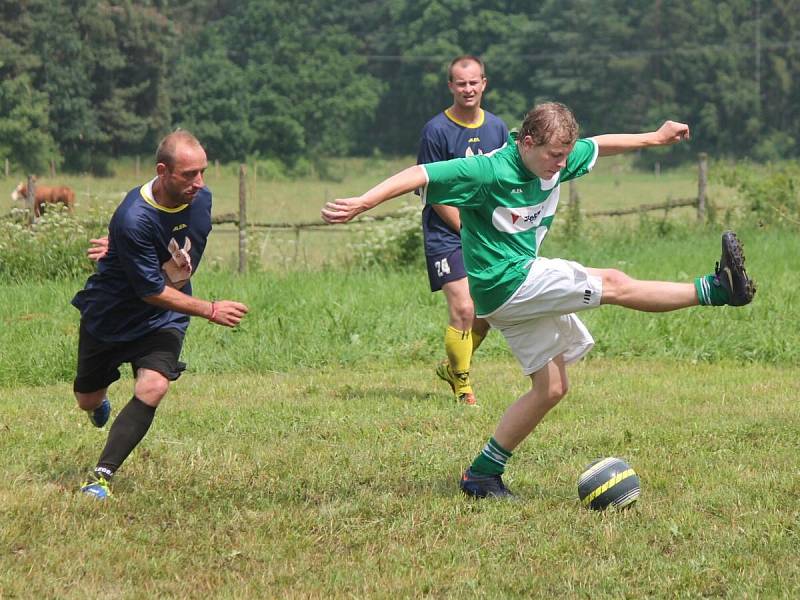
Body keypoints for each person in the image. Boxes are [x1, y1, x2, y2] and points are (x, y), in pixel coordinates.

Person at [321, 102, 755, 499]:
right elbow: (421, 175)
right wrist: (363, 202)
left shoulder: (557, 159)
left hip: (511, 293)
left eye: (565, 156)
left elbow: (599, 145)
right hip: (506, 282)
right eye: (553, 155)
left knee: (551, 388)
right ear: (526, 143)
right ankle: (717, 290)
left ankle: (481, 475)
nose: (561, 165)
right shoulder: (487, 172)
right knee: (614, 282)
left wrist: (655, 138)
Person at [72, 130, 249, 499]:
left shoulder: (200, 199)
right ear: (163, 170)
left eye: (203, 171)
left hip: (165, 313)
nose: (198, 182)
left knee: (153, 386)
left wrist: (125, 248)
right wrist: (210, 309)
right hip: (113, 314)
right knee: (86, 399)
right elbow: (150, 289)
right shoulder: (132, 217)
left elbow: (175, 243)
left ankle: (102, 476)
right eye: (188, 174)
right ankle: (98, 403)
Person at [418, 55, 509, 406]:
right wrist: (466, 227)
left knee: (490, 310)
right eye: (461, 83)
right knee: (464, 308)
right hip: (446, 233)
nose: (468, 89)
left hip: (488, 232)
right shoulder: (436, 131)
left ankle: (452, 364)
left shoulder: (497, 128)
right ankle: (463, 387)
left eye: (474, 82)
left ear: (484, 83)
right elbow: (433, 190)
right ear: (450, 86)